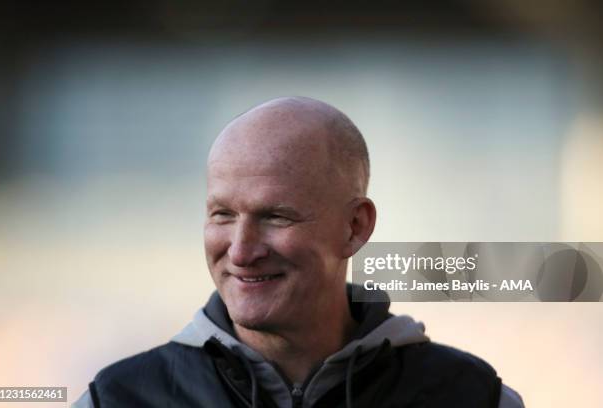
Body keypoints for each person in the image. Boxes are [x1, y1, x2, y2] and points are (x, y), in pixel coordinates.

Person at [74, 97, 524, 407]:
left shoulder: (472, 398)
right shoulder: (117, 399)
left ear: (355, 227)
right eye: (223, 214)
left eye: (275, 217)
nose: (242, 250)